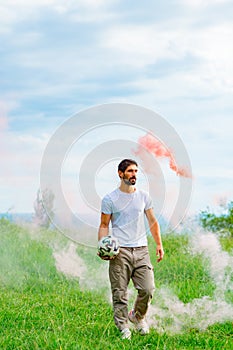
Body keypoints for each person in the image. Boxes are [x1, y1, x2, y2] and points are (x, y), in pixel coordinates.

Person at [98, 159, 164, 340]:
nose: (134, 174)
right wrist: (102, 246)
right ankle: (122, 327)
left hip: (141, 250)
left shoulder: (143, 196)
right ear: (120, 174)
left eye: (136, 171)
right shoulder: (110, 199)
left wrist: (159, 244)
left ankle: (137, 316)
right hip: (120, 252)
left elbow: (152, 221)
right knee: (120, 292)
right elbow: (104, 224)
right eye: (130, 171)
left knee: (148, 289)